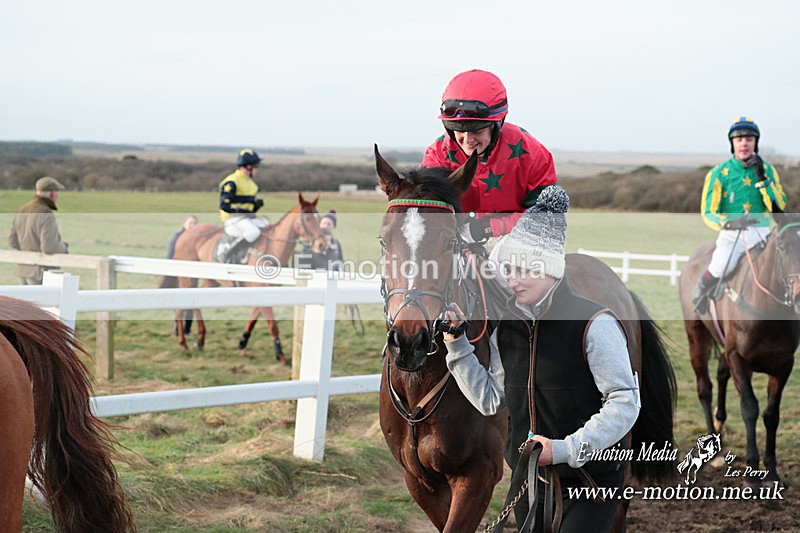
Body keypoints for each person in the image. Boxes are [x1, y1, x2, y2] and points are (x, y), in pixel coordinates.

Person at [441, 185, 639, 532]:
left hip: (590, 483)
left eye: (523, 270)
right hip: (529, 479)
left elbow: (625, 402)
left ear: (550, 269)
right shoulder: (509, 329)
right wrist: (457, 345)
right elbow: (491, 400)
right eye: (508, 270)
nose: (511, 281)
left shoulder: (595, 324)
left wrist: (565, 449)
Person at [421, 69, 557, 244]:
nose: (467, 140)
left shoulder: (533, 153)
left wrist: (488, 228)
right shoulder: (437, 155)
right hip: (457, 237)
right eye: (459, 131)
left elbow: (546, 216)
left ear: (497, 124)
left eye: (476, 131)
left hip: (519, 239)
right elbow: (428, 214)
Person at [691, 117, 787, 314]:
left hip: (763, 232)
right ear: (732, 143)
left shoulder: (768, 170)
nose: (744, 143)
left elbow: (780, 205)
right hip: (732, 233)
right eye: (739, 139)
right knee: (720, 266)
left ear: (755, 144)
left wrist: (762, 178)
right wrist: (728, 223)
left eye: (750, 139)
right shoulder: (718, 173)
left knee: (787, 267)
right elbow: (708, 212)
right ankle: (700, 293)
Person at [8, 176, 69, 284]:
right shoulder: (46, 213)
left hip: (23, 269)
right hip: (41, 272)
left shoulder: (22, 210)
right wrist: (64, 248)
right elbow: (49, 247)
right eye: (56, 192)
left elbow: (12, 241)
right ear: (52, 194)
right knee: (44, 301)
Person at [218, 148, 268, 263]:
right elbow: (224, 205)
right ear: (248, 167)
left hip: (245, 218)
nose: (257, 169)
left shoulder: (252, 185)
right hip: (232, 219)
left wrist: (255, 206)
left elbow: (249, 208)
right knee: (253, 232)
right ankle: (226, 253)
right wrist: (242, 210)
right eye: (256, 166)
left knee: (267, 226)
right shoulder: (232, 181)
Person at [167, 214, 197, 335]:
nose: (192, 226)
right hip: (179, 274)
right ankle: (177, 324)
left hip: (193, 275)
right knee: (180, 301)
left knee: (192, 301)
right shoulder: (177, 237)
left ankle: (187, 328)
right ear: (184, 224)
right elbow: (170, 256)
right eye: (190, 223)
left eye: (194, 223)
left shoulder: (196, 239)